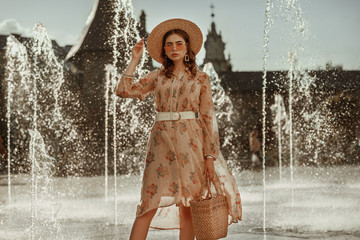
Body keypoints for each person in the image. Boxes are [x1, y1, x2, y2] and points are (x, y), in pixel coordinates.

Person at [114, 18, 242, 240]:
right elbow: (123, 91)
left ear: (187, 48)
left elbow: (208, 117)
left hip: (191, 144)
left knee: (188, 205)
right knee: (148, 203)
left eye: (179, 43)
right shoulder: (157, 76)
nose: (174, 48)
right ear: (163, 49)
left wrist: (210, 156)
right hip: (160, 143)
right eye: (169, 44)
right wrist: (135, 60)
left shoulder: (201, 78)